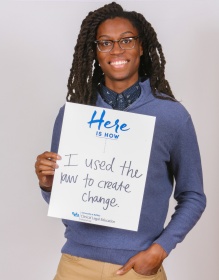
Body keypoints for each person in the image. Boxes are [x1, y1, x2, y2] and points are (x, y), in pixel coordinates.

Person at [35, 2, 206, 279]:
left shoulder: (172, 116)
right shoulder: (73, 116)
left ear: (141, 47)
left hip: (137, 268)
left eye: (126, 40)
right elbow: (61, 197)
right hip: (75, 265)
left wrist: (160, 250)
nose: (116, 50)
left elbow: (193, 196)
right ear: (95, 52)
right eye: (105, 43)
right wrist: (47, 182)